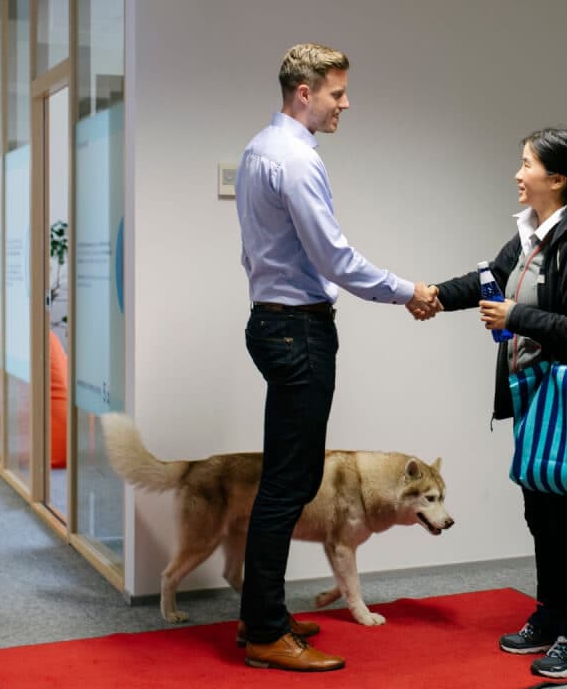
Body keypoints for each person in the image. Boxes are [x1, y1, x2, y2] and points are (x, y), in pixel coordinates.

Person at [234, 42, 440, 673]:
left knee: (288, 481)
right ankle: (265, 633)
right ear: (305, 92)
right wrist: (409, 291)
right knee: (288, 485)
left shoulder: (258, 150)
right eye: (337, 93)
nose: (345, 104)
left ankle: (262, 615)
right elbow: (335, 259)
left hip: (273, 324)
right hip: (297, 331)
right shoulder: (297, 160)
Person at [429, 127, 567, 679]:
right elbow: (489, 280)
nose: (518, 174)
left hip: (565, 402)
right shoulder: (530, 236)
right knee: (541, 516)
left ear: (557, 179)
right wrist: (433, 296)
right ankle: (551, 616)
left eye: (527, 165)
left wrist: (516, 317)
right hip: (533, 396)